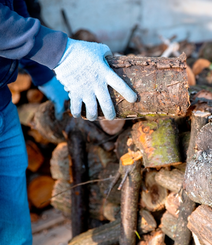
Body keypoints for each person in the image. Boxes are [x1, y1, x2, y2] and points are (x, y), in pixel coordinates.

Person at [0, 0, 137, 243]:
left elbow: (17, 9)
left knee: (14, 231)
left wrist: (44, 75)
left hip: (2, 104)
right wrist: (61, 52)